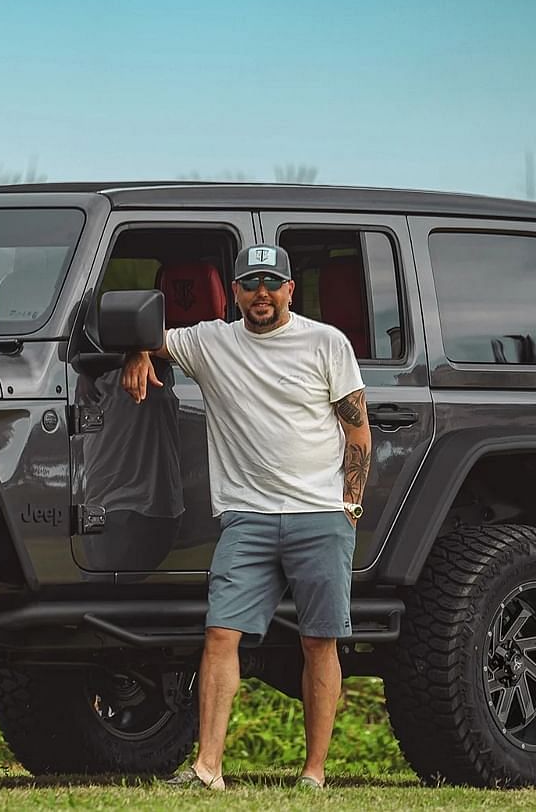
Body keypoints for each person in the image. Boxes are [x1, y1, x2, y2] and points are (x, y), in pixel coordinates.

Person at [122, 244, 370, 790]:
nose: (262, 294)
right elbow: (151, 335)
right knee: (219, 635)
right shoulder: (211, 340)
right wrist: (137, 352)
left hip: (319, 514)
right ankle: (208, 769)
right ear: (235, 292)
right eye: (251, 284)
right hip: (248, 517)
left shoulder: (327, 343)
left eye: (271, 283)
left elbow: (357, 430)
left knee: (319, 641)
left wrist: (349, 505)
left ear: (289, 290)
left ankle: (314, 774)